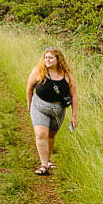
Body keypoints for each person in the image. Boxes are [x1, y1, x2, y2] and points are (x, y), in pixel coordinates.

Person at [25, 46, 76, 175]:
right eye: (46, 57)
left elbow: (74, 96)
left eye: (51, 58)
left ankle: (48, 160)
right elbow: (29, 89)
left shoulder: (67, 75)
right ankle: (43, 165)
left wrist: (74, 116)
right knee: (41, 134)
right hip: (39, 107)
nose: (47, 60)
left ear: (58, 60)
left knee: (51, 136)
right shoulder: (37, 72)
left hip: (58, 110)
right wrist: (29, 106)